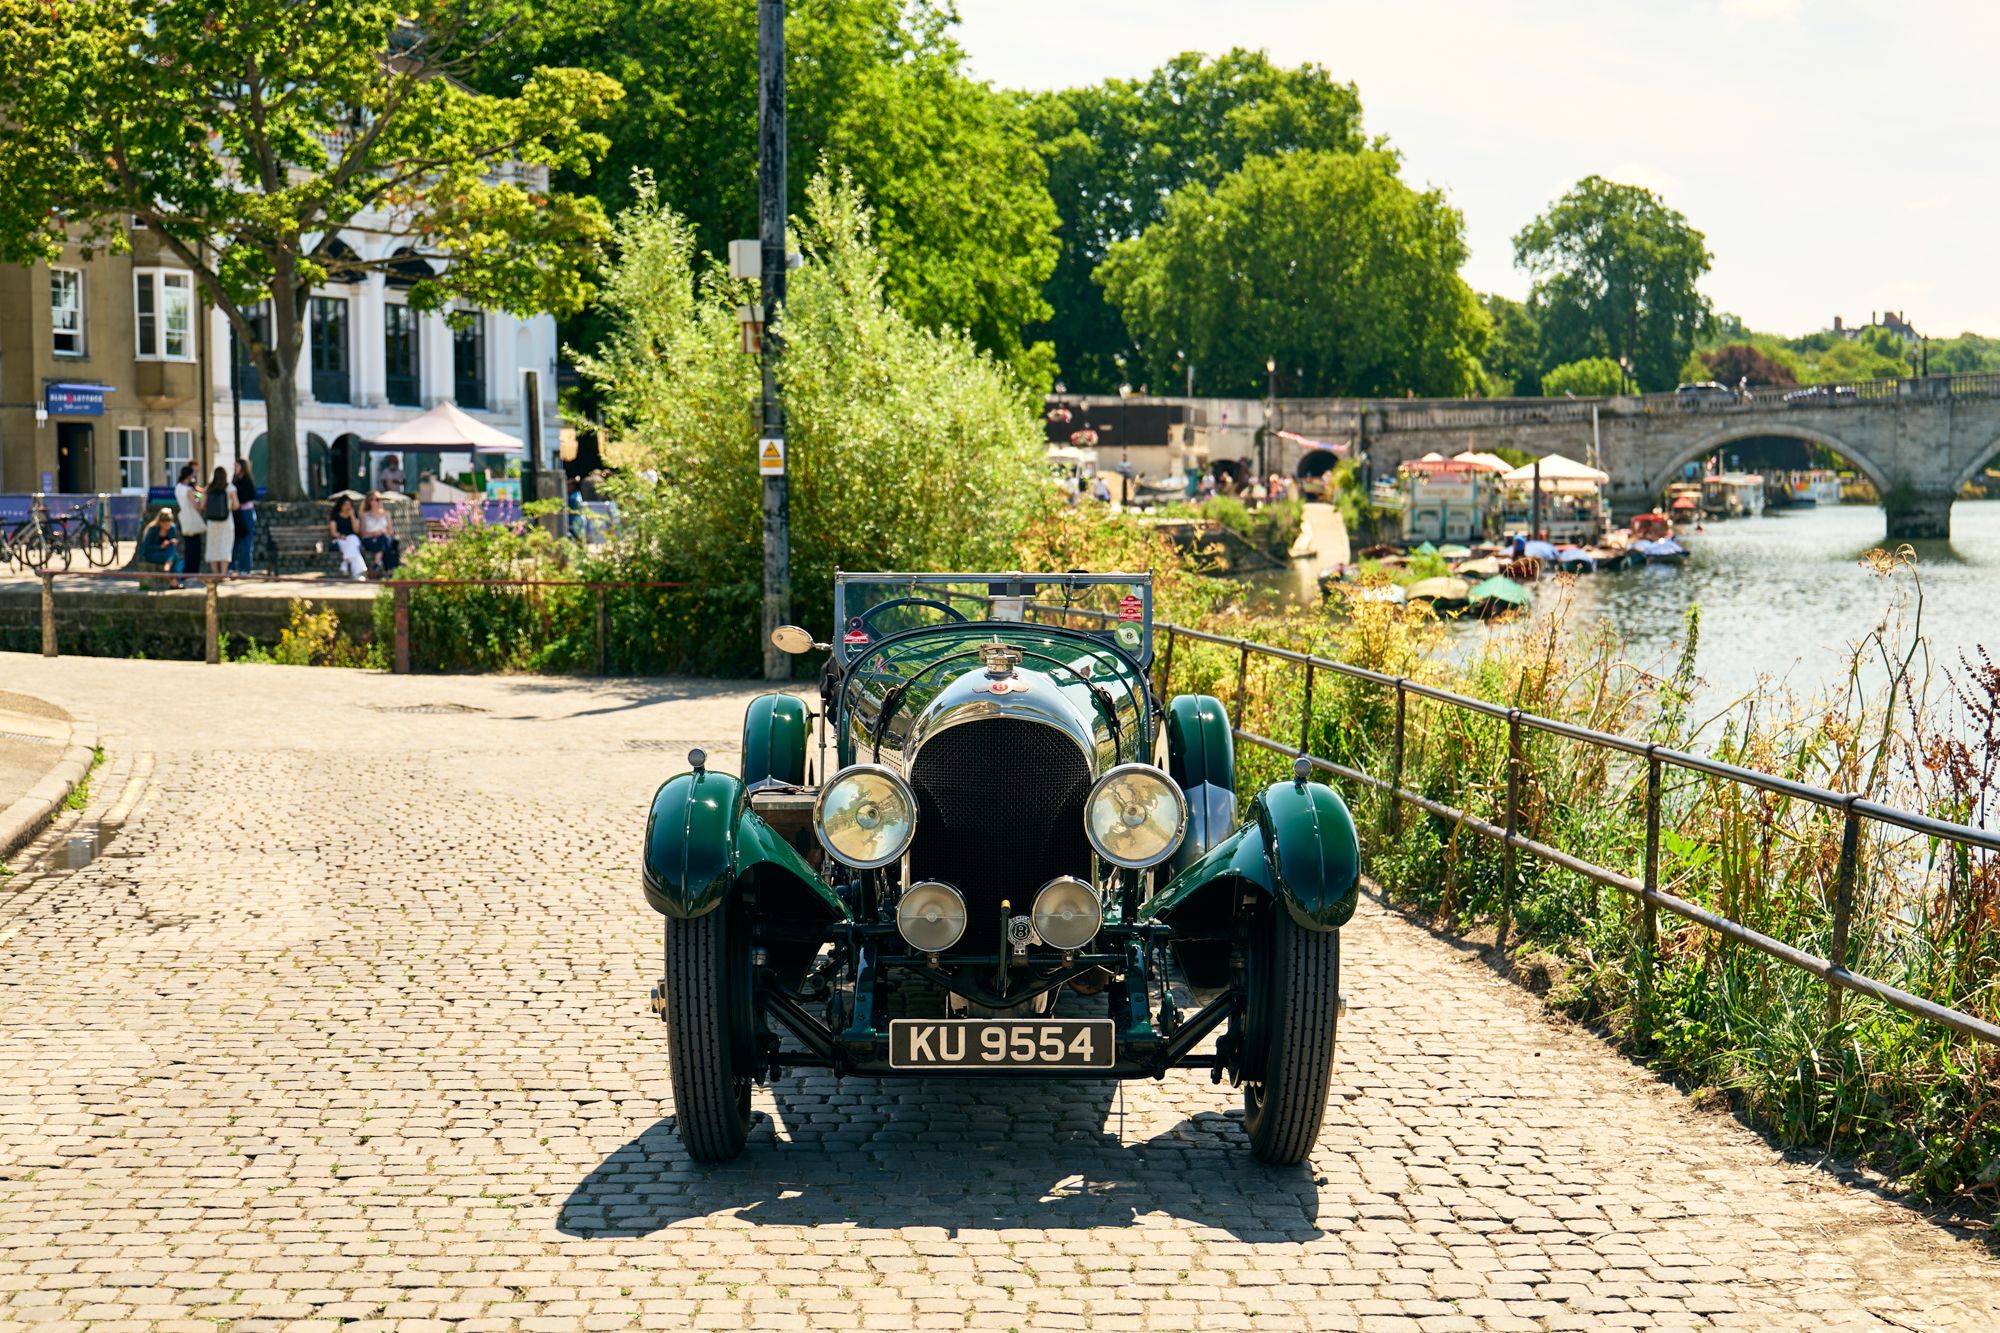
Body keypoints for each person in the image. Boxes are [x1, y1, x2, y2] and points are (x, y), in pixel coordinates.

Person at [202, 465, 237, 577]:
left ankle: (215, 574)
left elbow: (202, 506)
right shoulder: (230, 488)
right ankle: (223, 573)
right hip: (226, 521)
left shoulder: (208, 488)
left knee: (212, 546)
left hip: (212, 521)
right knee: (225, 545)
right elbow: (236, 505)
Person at [356, 491, 401, 575]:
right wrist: (374, 533)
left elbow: (391, 531)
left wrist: (382, 532)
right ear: (370, 501)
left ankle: (377, 561)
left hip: (384, 538)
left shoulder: (386, 514)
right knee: (386, 543)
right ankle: (389, 570)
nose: (380, 501)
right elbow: (362, 532)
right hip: (370, 540)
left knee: (384, 539)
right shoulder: (364, 515)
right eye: (377, 499)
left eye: (381, 499)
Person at [173, 464, 207, 574]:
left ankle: (187, 571)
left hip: (184, 518)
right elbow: (196, 505)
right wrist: (201, 498)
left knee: (188, 547)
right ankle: (193, 572)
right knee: (195, 548)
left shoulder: (178, 487)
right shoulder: (188, 490)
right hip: (192, 518)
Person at [327, 496, 367, 580]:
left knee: (352, 539)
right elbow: (333, 532)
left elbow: (356, 530)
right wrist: (341, 536)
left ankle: (345, 562)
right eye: (345, 504)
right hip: (340, 539)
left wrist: (352, 516)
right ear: (341, 505)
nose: (347, 506)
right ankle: (357, 573)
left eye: (349, 504)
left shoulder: (354, 514)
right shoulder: (335, 515)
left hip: (353, 538)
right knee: (351, 547)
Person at [137, 508, 179, 589]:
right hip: (152, 553)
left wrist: (171, 542)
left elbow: (171, 544)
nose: (167, 526)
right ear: (160, 522)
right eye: (165, 524)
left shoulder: (172, 528)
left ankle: (169, 564)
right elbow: (146, 547)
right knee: (175, 557)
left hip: (166, 553)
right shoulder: (152, 529)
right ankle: (174, 581)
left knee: (173, 549)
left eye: (168, 524)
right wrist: (160, 546)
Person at [230, 458, 257, 575]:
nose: (235, 468)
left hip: (246, 512)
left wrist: (236, 499)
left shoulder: (247, 481)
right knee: (234, 541)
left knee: (246, 541)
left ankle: (245, 568)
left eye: (237, 466)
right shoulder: (235, 480)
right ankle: (231, 567)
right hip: (236, 512)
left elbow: (248, 496)